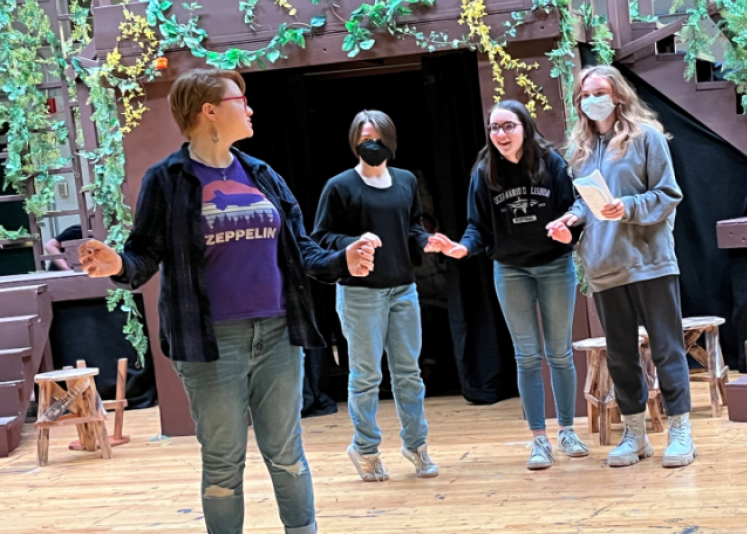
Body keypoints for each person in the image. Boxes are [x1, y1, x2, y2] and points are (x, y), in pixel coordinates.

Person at [78, 68, 376, 534]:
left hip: (278, 333)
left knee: (287, 454)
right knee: (222, 463)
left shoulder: (262, 174)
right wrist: (115, 262)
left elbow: (303, 250)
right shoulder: (168, 180)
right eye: (242, 100)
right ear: (209, 110)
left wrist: (344, 259)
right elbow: (142, 256)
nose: (251, 108)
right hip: (211, 343)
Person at [427, 99, 590, 470]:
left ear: (525, 128)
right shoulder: (484, 173)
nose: (500, 134)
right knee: (527, 357)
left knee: (560, 353)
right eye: (494, 128)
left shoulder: (552, 163)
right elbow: (477, 228)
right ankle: (539, 439)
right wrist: (461, 249)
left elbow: (576, 207)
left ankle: (567, 430)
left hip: (554, 266)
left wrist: (569, 230)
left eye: (508, 126)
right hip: (510, 269)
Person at [548, 64, 695, 469]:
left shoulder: (647, 137)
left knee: (666, 348)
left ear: (617, 94)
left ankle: (680, 430)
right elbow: (584, 203)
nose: (591, 100)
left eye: (599, 91)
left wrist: (627, 207)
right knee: (620, 354)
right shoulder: (578, 149)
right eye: (584, 94)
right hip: (604, 264)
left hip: (650, 262)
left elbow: (668, 194)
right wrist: (570, 221)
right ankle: (635, 434)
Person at [312, 109, 439, 482]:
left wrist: (427, 241)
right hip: (360, 294)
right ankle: (365, 448)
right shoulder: (339, 186)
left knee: (409, 374)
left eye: (379, 138)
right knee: (365, 376)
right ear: (354, 142)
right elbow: (321, 238)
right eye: (366, 138)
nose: (373, 144)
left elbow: (413, 224)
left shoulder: (405, 181)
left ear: (391, 142)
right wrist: (355, 242)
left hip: (404, 289)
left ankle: (416, 445)